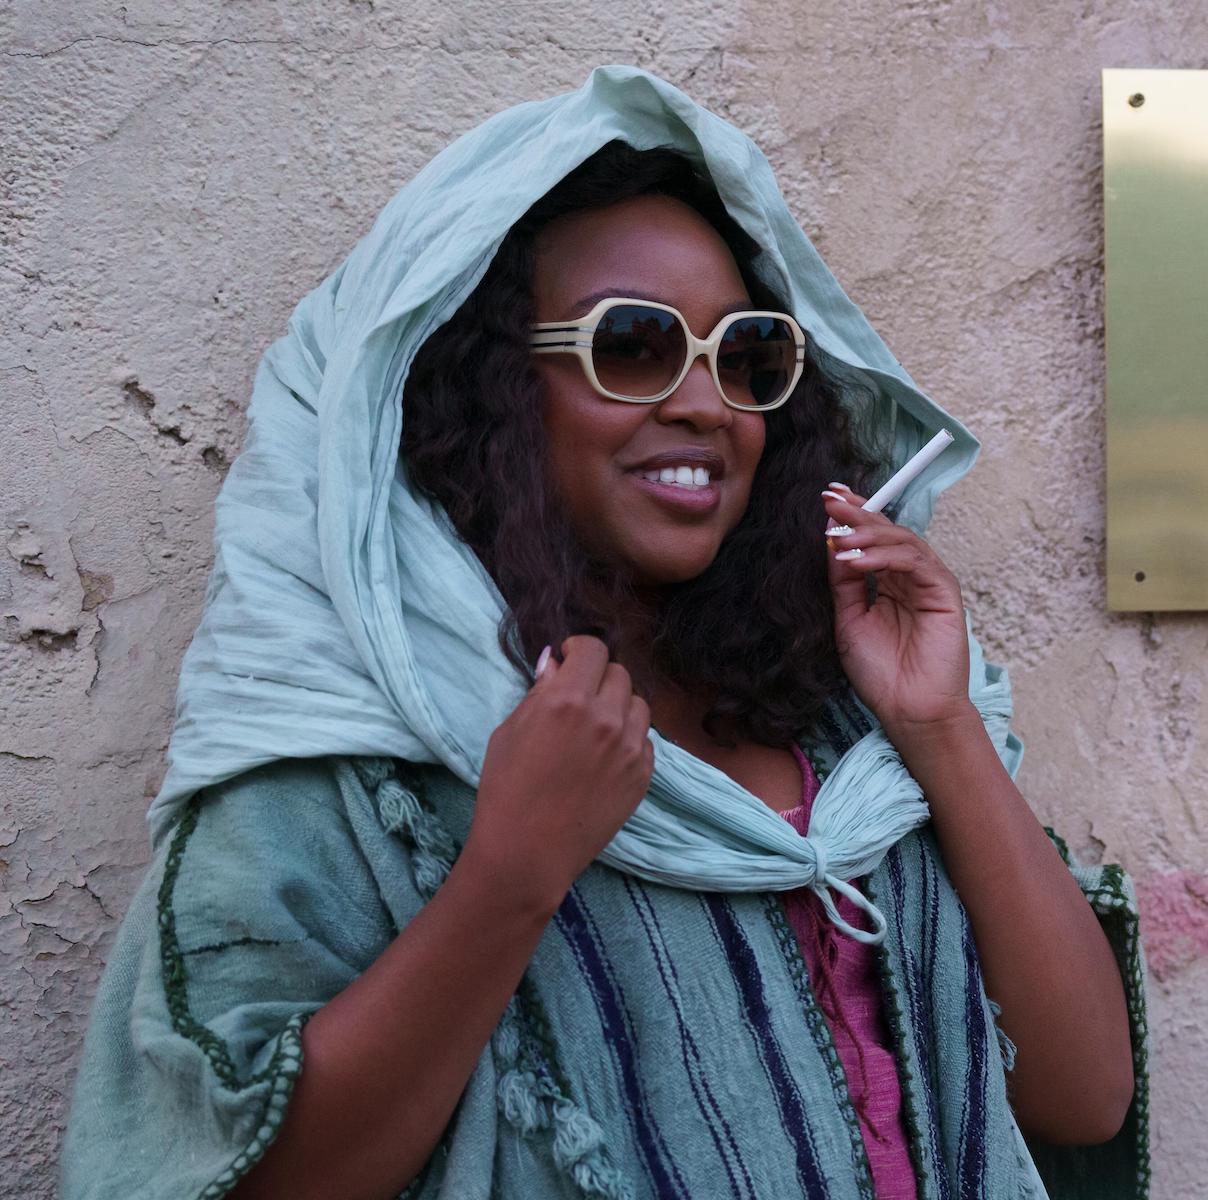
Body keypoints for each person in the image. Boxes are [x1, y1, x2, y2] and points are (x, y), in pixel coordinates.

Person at [57, 66, 1150, 1200]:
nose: (706, 406)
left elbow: (1080, 1096)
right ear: (485, 389)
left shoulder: (845, 727)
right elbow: (230, 1175)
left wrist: (942, 728)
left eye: (747, 357)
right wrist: (511, 872)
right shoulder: (353, 766)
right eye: (632, 345)